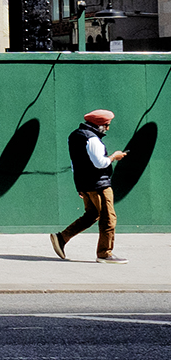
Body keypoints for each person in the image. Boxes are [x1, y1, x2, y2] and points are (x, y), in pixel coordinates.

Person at [51, 109, 128, 264]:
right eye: (106, 125)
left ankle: (62, 238)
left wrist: (79, 186)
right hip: (99, 185)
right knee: (109, 218)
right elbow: (100, 163)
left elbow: (75, 164)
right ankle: (105, 254)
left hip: (85, 184)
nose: (107, 128)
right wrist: (114, 156)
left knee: (92, 214)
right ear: (99, 124)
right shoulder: (92, 139)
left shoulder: (74, 135)